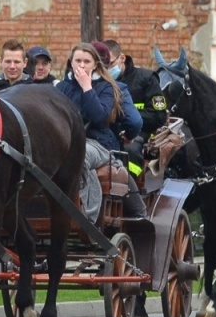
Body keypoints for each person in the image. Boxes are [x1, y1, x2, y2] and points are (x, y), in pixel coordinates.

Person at [56, 42, 146, 219]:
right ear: (71, 62)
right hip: (68, 141)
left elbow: (99, 117)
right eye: (78, 61)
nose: (82, 65)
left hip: (98, 143)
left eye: (86, 61)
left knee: (79, 155)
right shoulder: (61, 88)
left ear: (95, 64)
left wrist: (86, 87)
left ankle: (87, 214)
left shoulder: (106, 87)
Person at [105, 37, 166, 137]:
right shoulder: (98, 81)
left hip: (140, 134)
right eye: (103, 65)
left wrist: (123, 117)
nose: (107, 69)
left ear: (122, 58)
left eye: (111, 64)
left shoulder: (147, 79)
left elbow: (159, 116)